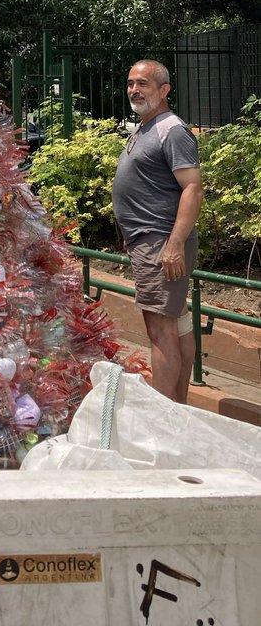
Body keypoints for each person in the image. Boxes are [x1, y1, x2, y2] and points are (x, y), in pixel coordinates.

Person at [112, 60, 203, 402]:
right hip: (149, 242)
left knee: (159, 330)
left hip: (161, 243)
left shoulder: (171, 130)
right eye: (131, 83)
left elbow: (192, 189)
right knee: (176, 322)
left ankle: (162, 417)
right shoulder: (145, 127)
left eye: (143, 84)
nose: (134, 90)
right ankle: (178, 408)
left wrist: (174, 245)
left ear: (163, 91)